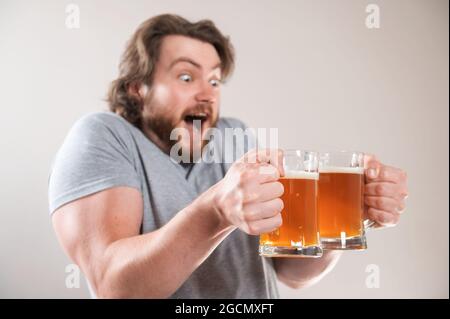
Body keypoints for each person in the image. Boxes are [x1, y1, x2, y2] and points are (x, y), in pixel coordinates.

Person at [48, 14, 408, 298]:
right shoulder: (104, 137)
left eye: (215, 81)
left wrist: (339, 220)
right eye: (187, 77)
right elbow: (115, 286)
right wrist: (217, 211)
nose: (207, 94)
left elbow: (290, 273)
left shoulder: (235, 137)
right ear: (137, 89)